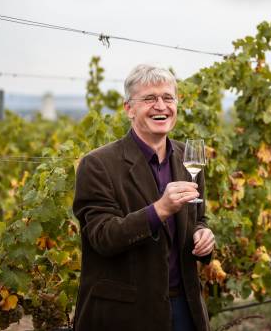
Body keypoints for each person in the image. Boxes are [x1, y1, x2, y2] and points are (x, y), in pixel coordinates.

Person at [72, 64, 215, 330]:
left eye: (168, 98)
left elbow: (199, 218)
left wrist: (203, 236)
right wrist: (159, 209)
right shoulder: (98, 164)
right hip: (125, 315)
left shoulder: (188, 159)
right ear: (129, 109)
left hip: (185, 308)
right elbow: (102, 237)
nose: (161, 106)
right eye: (149, 98)